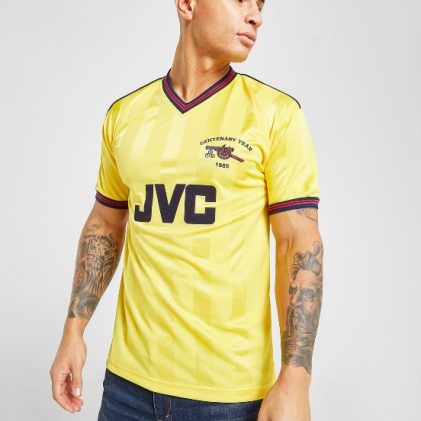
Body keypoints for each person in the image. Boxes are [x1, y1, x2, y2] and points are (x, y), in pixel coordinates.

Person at [49, 0, 324, 420]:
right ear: (187, 4)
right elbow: (105, 222)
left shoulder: (276, 114)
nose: (256, 15)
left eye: (260, 5)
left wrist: (296, 380)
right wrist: (74, 331)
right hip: (126, 389)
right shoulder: (125, 115)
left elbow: (299, 244)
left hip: (229, 397)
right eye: (241, 0)